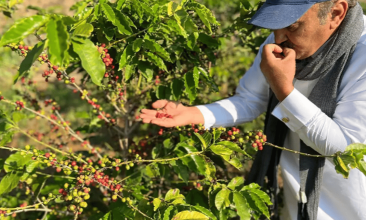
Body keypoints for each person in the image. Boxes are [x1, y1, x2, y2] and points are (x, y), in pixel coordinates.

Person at [140, 0, 366, 219]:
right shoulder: (285, 41)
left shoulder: (362, 58)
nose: (278, 38)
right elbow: (251, 99)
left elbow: (345, 150)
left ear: (335, 14)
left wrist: (284, 90)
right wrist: (194, 114)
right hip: (297, 205)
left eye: (292, 25)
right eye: (275, 25)